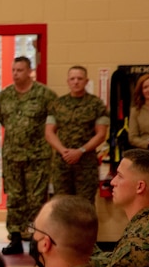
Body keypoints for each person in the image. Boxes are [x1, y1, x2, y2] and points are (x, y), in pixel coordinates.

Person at [0, 56, 57, 255]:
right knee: (14, 198)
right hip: (12, 156)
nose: (15, 74)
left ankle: (33, 237)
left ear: (30, 71)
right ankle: (14, 237)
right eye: (13, 70)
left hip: (37, 157)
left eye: (20, 70)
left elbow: (53, 123)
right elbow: (4, 120)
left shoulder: (45, 95)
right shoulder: (4, 96)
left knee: (36, 199)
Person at [44, 66, 109, 205]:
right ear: (67, 81)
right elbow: (49, 132)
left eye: (79, 78)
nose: (76, 82)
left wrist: (81, 151)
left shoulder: (96, 104)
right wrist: (63, 151)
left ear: (86, 81)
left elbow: (101, 134)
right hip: (62, 164)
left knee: (85, 206)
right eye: (72, 79)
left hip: (86, 164)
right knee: (61, 206)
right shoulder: (57, 104)